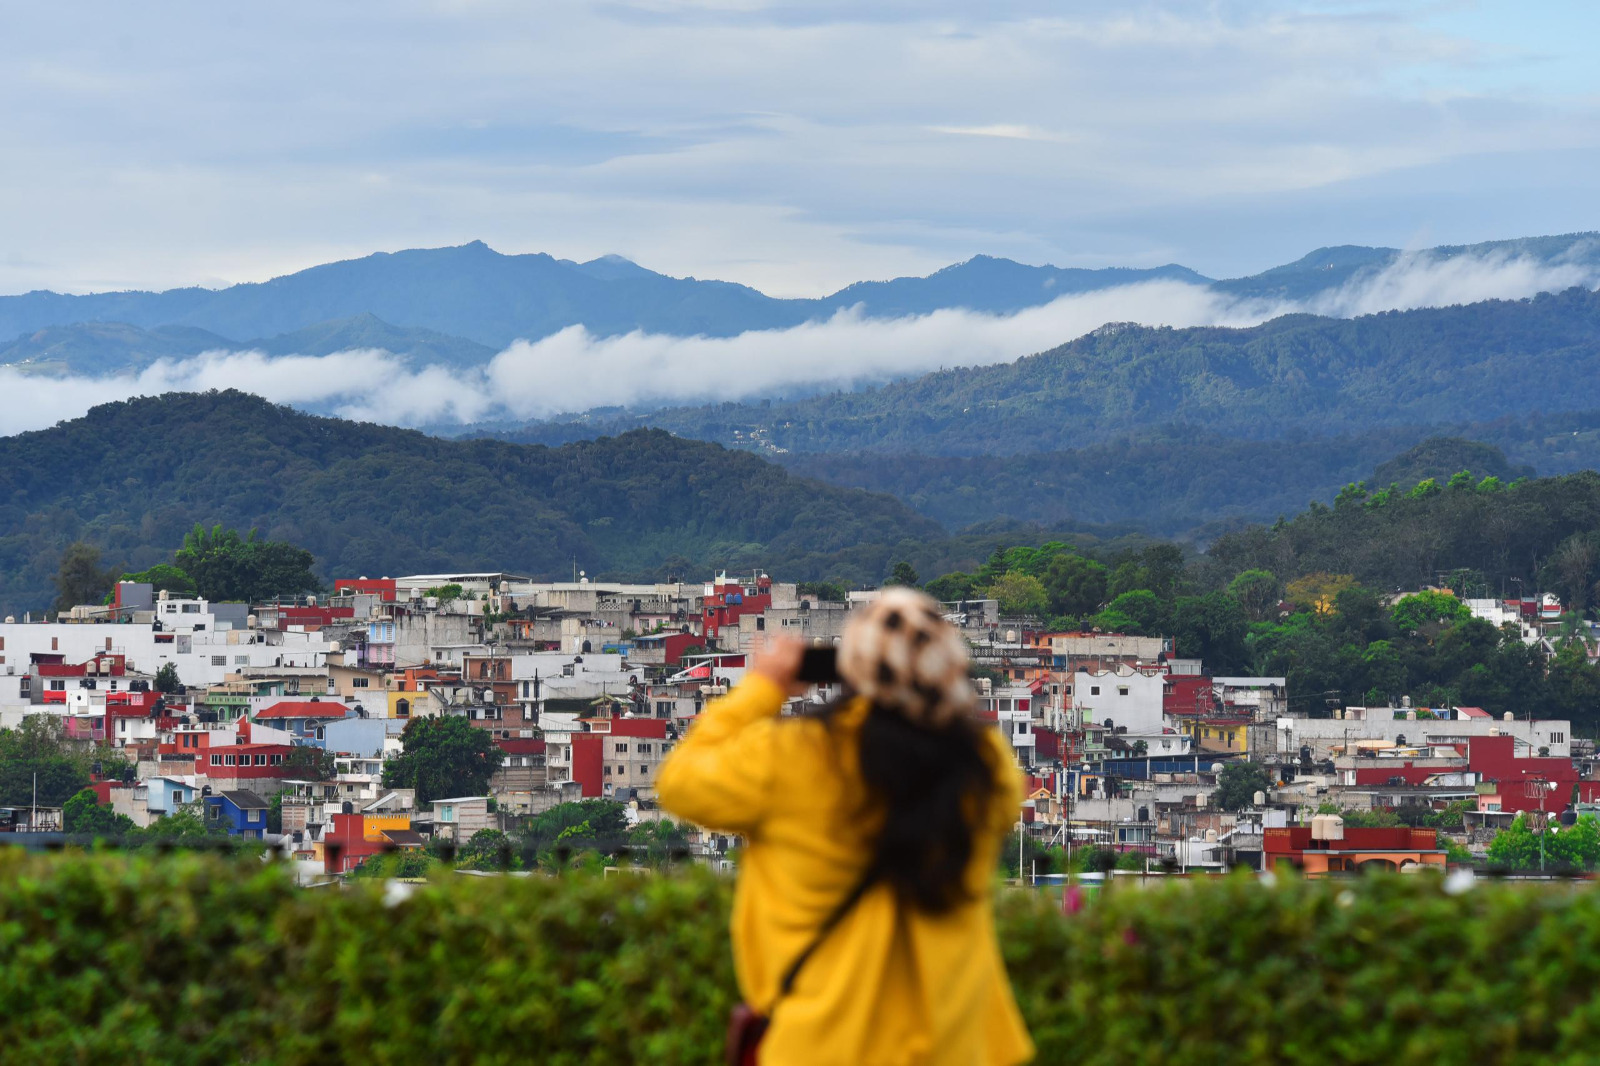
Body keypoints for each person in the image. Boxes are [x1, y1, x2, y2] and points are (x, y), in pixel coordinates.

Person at [657, 588, 1034, 1066]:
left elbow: (679, 782)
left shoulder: (799, 755)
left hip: (822, 1044)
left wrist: (765, 687)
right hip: (958, 1045)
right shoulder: (985, 765)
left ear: (849, 668)